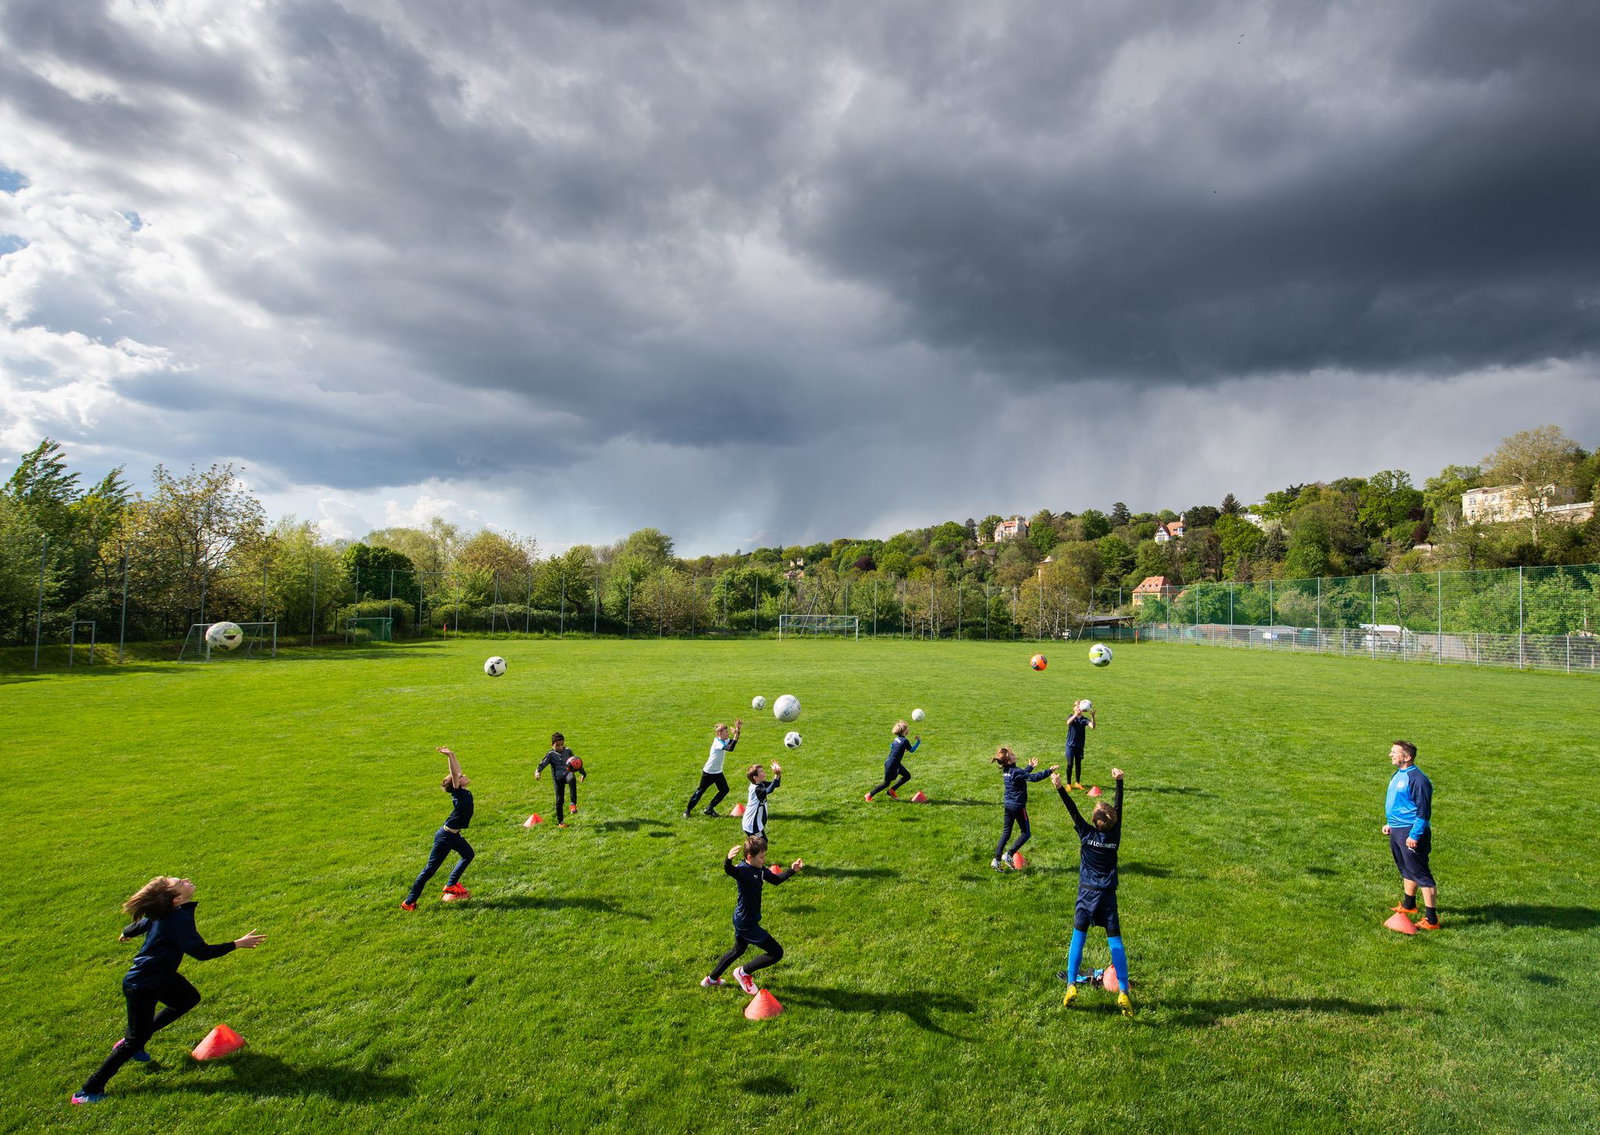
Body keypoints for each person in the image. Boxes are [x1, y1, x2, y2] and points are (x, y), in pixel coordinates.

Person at [71, 877, 266, 1105]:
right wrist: (237, 943)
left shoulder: (166, 912)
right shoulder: (178, 918)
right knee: (133, 1040)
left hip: (160, 977)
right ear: (177, 899)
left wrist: (127, 932)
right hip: (143, 985)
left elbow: (141, 924)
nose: (187, 879)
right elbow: (200, 952)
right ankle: (88, 1090)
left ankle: (138, 1039)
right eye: (180, 882)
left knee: (188, 998)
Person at [1053, 766, 1132, 1016]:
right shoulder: (1115, 836)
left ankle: (1071, 985)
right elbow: (1118, 809)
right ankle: (1122, 992)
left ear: (1094, 821)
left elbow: (1073, 811)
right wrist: (1119, 783)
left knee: (1078, 938)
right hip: (1107, 895)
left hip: (1086, 894)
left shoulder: (1086, 833)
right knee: (1115, 942)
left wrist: (1059, 788)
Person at [702, 834, 804, 993]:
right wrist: (728, 859)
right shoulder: (743, 871)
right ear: (749, 857)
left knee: (738, 950)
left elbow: (776, 880)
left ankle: (711, 979)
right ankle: (743, 973)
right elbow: (729, 870)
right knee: (776, 952)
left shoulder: (760, 869)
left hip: (743, 919)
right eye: (761, 857)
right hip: (747, 923)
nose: (764, 860)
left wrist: (792, 870)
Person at [401, 747, 475, 910]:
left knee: (468, 854)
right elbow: (455, 773)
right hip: (445, 837)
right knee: (429, 870)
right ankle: (409, 902)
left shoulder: (463, 791)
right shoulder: (459, 793)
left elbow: (457, 771)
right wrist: (448, 757)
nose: (463, 775)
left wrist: (453, 754)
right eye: (461, 776)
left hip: (454, 836)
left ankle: (451, 885)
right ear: (457, 782)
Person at [1384, 740, 1439, 929]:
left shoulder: (1418, 780)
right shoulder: (1398, 775)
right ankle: (1409, 905)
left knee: (1421, 873)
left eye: (1394, 752)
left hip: (1411, 831)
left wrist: (1414, 835)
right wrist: (1391, 824)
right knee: (1407, 869)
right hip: (1398, 829)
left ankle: (1432, 920)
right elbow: (1401, 804)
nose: (1390, 755)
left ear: (1407, 757)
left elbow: (1423, 812)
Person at [990, 747, 1056, 870]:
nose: (1015, 755)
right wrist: (1049, 771)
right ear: (1009, 760)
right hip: (1018, 806)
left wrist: (1030, 767)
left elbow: (1021, 775)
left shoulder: (1006, 770)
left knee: (1006, 833)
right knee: (1026, 833)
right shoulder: (1016, 771)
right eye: (1013, 754)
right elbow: (1033, 778)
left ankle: (996, 860)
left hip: (1008, 805)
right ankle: (1009, 854)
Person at [685, 719, 742, 818]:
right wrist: (735, 735)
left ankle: (709, 809)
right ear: (719, 733)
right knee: (700, 791)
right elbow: (730, 748)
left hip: (718, 772)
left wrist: (737, 731)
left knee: (724, 790)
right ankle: (687, 811)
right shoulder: (718, 743)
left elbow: (732, 743)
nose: (728, 733)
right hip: (709, 772)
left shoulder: (724, 740)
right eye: (726, 732)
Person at [536, 732, 585, 828]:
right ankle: (561, 822)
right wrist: (538, 772)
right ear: (552, 745)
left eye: (561, 744)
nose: (560, 747)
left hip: (567, 774)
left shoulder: (568, 751)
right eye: (557, 745)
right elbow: (543, 763)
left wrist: (583, 773)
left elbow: (575, 763)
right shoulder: (551, 754)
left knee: (572, 778)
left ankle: (573, 804)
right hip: (558, 779)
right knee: (559, 800)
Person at [865, 720, 921, 801]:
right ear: (904, 731)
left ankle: (892, 790)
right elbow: (911, 750)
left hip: (892, 762)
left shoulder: (897, 739)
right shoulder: (905, 741)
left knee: (907, 776)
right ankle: (869, 795)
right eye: (907, 728)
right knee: (886, 783)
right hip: (893, 765)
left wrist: (902, 749)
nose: (909, 730)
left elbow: (892, 746)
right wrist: (918, 742)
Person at [742, 761, 782, 837]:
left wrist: (778, 774)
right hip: (752, 824)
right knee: (762, 843)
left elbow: (776, 784)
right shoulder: (756, 789)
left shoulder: (760, 783)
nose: (764, 774)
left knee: (758, 845)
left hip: (755, 823)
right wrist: (776, 775)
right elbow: (769, 790)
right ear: (755, 777)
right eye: (761, 772)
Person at [1063, 700, 1096, 790]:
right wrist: (1075, 715)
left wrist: (1093, 717)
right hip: (1070, 745)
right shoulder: (1071, 716)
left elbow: (1093, 727)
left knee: (1078, 764)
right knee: (1070, 764)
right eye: (1076, 707)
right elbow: (1068, 723)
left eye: (1079, 707)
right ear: (1074, 708)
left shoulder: (1084, 720)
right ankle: (1068, 784)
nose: (1078, 708)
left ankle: (1077, 782)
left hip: (1079, 746)